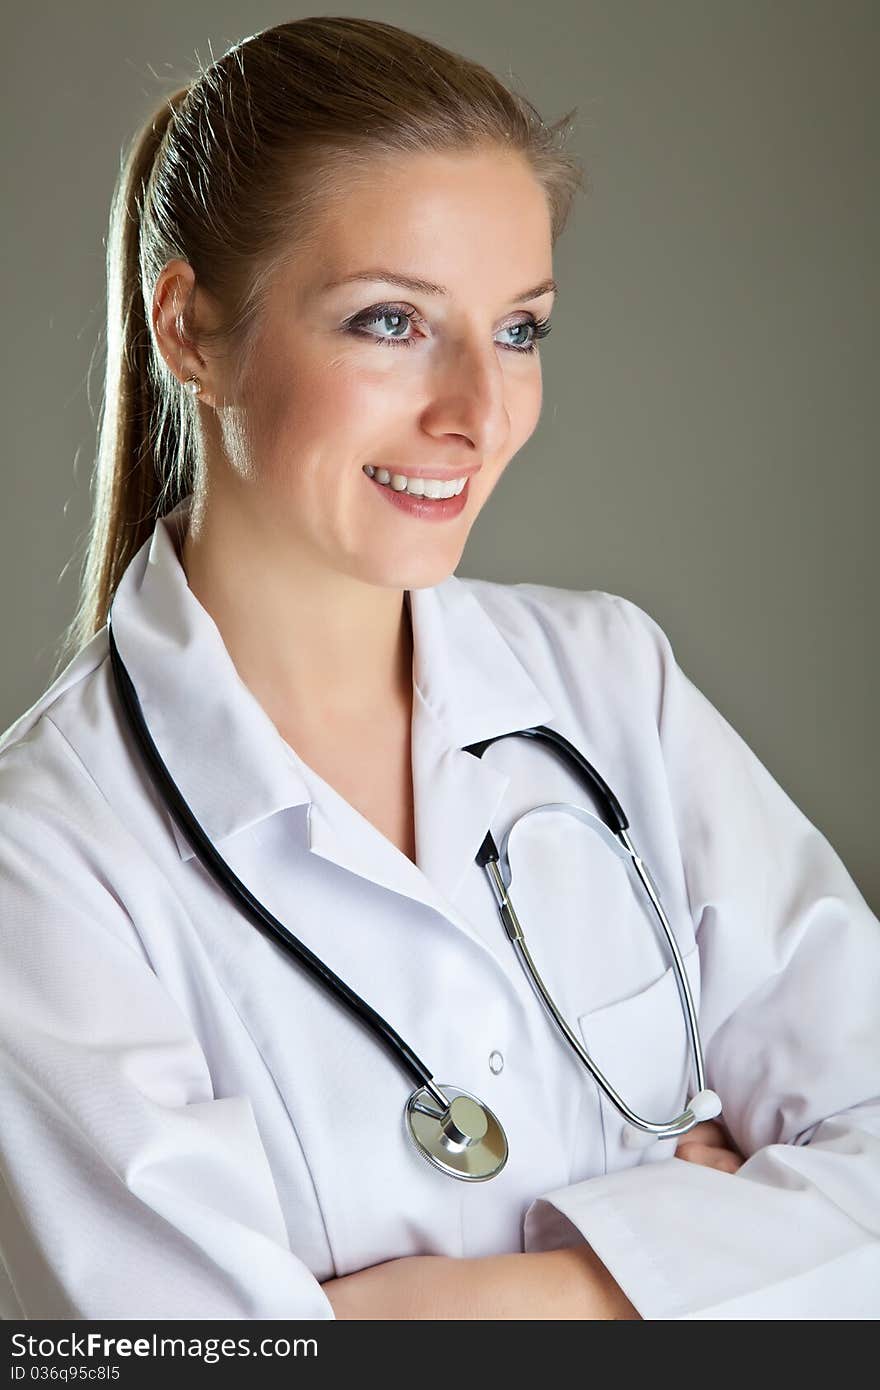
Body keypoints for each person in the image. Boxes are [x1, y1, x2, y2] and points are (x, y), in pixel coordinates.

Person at [0, 16, 877, 1322]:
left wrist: (490, 1297)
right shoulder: (47, 850)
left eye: (519, 329)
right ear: (186, 326)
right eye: (392, 320)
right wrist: (712, 1245)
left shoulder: (605, 682)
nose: (478, 410)